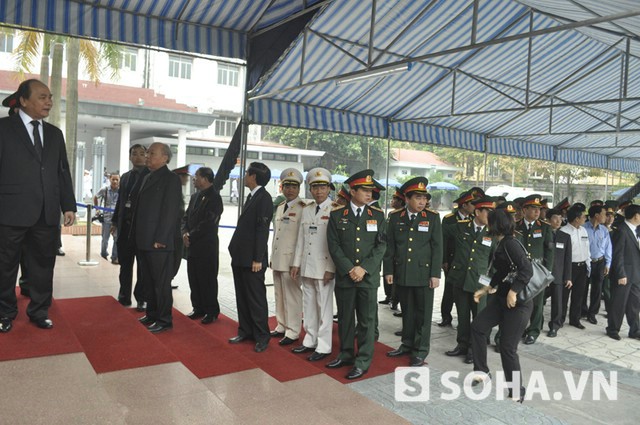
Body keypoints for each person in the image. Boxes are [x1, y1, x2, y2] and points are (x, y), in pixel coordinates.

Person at [0, 79, 76, 333]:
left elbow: (62, 172)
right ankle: (4, 312)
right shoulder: (3, 128)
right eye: (42, 97)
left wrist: (68, 205)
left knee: (43, 266)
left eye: (50, 97)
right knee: (5, 266)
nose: (49, 102)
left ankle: (39, 311)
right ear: (23, 100)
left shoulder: (55, 133)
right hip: (9, 212)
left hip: (46, 213)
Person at [327, 169, 386, 379]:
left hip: (367, 278)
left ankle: (362, 360)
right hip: (346, 276)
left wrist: (364, 268)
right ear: (352, 191)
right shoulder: (337, 215)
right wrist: (349, 268)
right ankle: (345, 354)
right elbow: (333, 246)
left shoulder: (378, 216)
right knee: (344, 318)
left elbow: (381, 246)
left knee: (367, 320)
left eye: (371, 191)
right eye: (364, 190)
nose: (369, 194)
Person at [471, 209, 533, 403]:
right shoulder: (502, 242)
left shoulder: (511, 243)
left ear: (495, 224)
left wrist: (513, 291)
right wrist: (487, 288)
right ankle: (482, 371)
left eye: (490, 221)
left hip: (518, 302)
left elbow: (526, 270)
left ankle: (517, 391)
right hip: (502, 299)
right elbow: (503, 270)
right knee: (478, 327)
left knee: (507, 347)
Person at [384, 177, 442, 367]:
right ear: (407, 198)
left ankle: (420, 350)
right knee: (407, 312)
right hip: (403, 272)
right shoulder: (395, 217)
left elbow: (437, 247)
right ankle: (407, 344)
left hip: (424, 275)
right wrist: (389, 271)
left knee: (423, 315)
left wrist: (435, 274)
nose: (422, 202)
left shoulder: (432, 218)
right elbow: (390, 247)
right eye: (418, 198)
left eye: (424, 198)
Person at [134, 143, 183, 333]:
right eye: (147, 153)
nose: (147, 156)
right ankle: (152, 313)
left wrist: (161, 237)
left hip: (159, 241)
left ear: (165, 158)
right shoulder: (148, 177)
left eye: (151, 153)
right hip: (144, 238)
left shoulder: (171, 179)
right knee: (148, 280)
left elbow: (170, 211)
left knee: (161, 283)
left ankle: (164, 319)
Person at [290, 168, 336, 361]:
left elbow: (335, 243)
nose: (319, 191)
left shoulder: (334, 209)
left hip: (324, 266)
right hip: (307, 265)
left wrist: (331, 268)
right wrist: (296, 263)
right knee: (308, 305)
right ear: (310, 189)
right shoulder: (307, 209)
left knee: (324, 307)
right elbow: (301, 238)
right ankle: (310, 340)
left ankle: (324, 346)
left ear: (329, 188)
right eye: (315, 187)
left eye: (322, 187)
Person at [444, 196, 495, 365]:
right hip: (459, 278)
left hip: (480, 284)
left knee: (479, 318)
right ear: (477, 212)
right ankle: (462, 344)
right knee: (462, 315)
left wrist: (490, 282)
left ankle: (474, 349)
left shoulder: (493, 233)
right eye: (487, 211)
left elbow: (495, 261)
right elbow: (442, 239)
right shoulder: (459, 227)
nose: (490, 215)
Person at [228, 162, 273, 353]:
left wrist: (257, 258)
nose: (245, 176)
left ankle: (262, 335)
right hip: (241, 256)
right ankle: (245, 330)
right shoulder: (252, 196)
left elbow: (262, 231)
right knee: (242, 296)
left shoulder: (264, 198)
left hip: (252, 260)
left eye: (247, 173)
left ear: (253, 176)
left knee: (255, 298)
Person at [182, 167, 223, 324]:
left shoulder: (215, 198)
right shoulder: (195, 196)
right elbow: (185, 218)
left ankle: (211, 311)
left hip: (206, 246)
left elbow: (209, 223)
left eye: (197, 177)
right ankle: (198, 307)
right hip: (192, 245)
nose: (194, 179)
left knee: (207, 279)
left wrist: (191, 235)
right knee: (194, 277)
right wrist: (184, 232)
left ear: (205, 179)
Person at [111, 144, 149, 310]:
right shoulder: (125, 177)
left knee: (142, 266)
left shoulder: (151, 176)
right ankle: (124, 295)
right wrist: (114, 222)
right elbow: (120, 202)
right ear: (130, 157)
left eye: (142, 154)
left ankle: (141, 297)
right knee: (125, 265)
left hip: (141, 229)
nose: (138, 157)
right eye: (134, 154)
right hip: (124, 228)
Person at [270, 168, 305, 345]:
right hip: (277, 259)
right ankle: (281, 325)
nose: (290, 189)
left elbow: (302, 238)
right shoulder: (280, 206)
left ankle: (293, 330)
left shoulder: (303, 208)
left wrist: (296, 262)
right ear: (282, 187)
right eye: (287, 186)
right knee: (279, 293)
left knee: (292, 296)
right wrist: (272, 255)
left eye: (294, 186)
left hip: (291, 260)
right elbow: (276, 233)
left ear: (299, 188)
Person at [516, 194, 553, 345]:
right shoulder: (516, 226)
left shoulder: (544, 227)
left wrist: (548, 272)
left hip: (538, 272)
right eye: (533, 208)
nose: (537, 212)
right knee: (519, 301)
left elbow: (550, 251)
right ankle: (519, 329)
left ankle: (533, 331)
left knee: (538, 303)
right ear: (524, 210)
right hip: (520, 270)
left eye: (539, 209)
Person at [439, 190, 477, 327]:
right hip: (452, 260)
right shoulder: (449, 219)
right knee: (449, 290)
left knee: (465, 291)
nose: (475, 206)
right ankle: (446, 316)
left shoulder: (474, 219)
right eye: (472, 204)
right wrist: (443, 260)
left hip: (467, 262)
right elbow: (443, 240)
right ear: (464, 205)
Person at [606, 204, 640, 340]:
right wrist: (621, 274)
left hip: (636, 275)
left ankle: (635, 330)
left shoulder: (636, 230)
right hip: (624, 275)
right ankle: (613, 329)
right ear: (636, 215)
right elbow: (617, 254)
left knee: (634, 304)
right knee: (618, 303)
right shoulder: (622, 230)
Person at [559, 206, 590, 329]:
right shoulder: (564, 231)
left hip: (582, 266)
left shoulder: (583, 230)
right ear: (577, 219)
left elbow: (587, 249)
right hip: (569, 267)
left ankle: (575, 319)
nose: (585, 218)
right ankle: (560, 319)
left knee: (579, 295)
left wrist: (588, 265)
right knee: (564, 296)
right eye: (583, 216)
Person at [582, 204, 611, 325]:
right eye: (604, 214)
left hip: (599, 262)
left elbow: (608, 247)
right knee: (582, 288)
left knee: (597, 289)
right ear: (596, 215)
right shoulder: (583, 228)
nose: (606, 217)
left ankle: (592, 313)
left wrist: (607, 264)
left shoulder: (604, 230)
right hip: (585, 263)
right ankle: (582, 310)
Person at [545, 208, 572, 337]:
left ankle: (554, 326)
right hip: (543, 275)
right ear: (548, 220)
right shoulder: (543, 233)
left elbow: (568, 258)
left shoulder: (565, 237)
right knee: (538, 302)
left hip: (558, 275)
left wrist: (568, 277)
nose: (558, 221)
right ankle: (535, 325)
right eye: (555, 218)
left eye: (560, 218)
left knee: (558, 303)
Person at [94, 173, 120, 264]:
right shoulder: (105, 190)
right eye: (113, 179)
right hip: (107, 218)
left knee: (116, 239)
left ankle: (114, 257)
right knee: (105, 238)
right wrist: (97, 209)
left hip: (116, 219)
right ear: (110, 179)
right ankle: (104, 253)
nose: (115, 181)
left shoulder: (121, 191)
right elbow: (96, 197)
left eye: (117, 179)